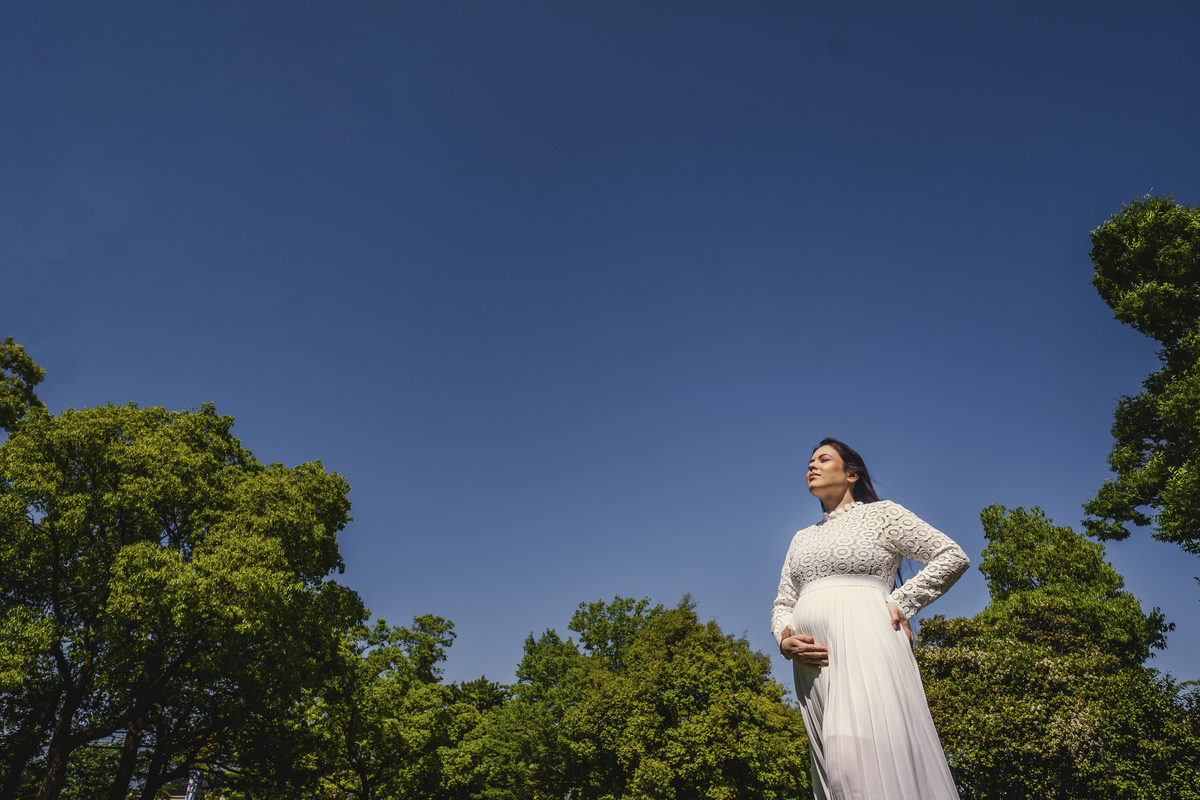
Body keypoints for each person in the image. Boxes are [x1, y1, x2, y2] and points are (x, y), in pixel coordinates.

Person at [772, 438, 969, 800]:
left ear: (851, 474)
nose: (811, 467)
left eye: (823, 459)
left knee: (853, 765)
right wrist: (785, 638)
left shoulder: (882, 515)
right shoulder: (800, 538)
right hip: (812, 667)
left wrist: (903, 601)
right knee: (833, 772)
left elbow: (950, 555)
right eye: (809, 462)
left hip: (866, 644)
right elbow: (784, 601)